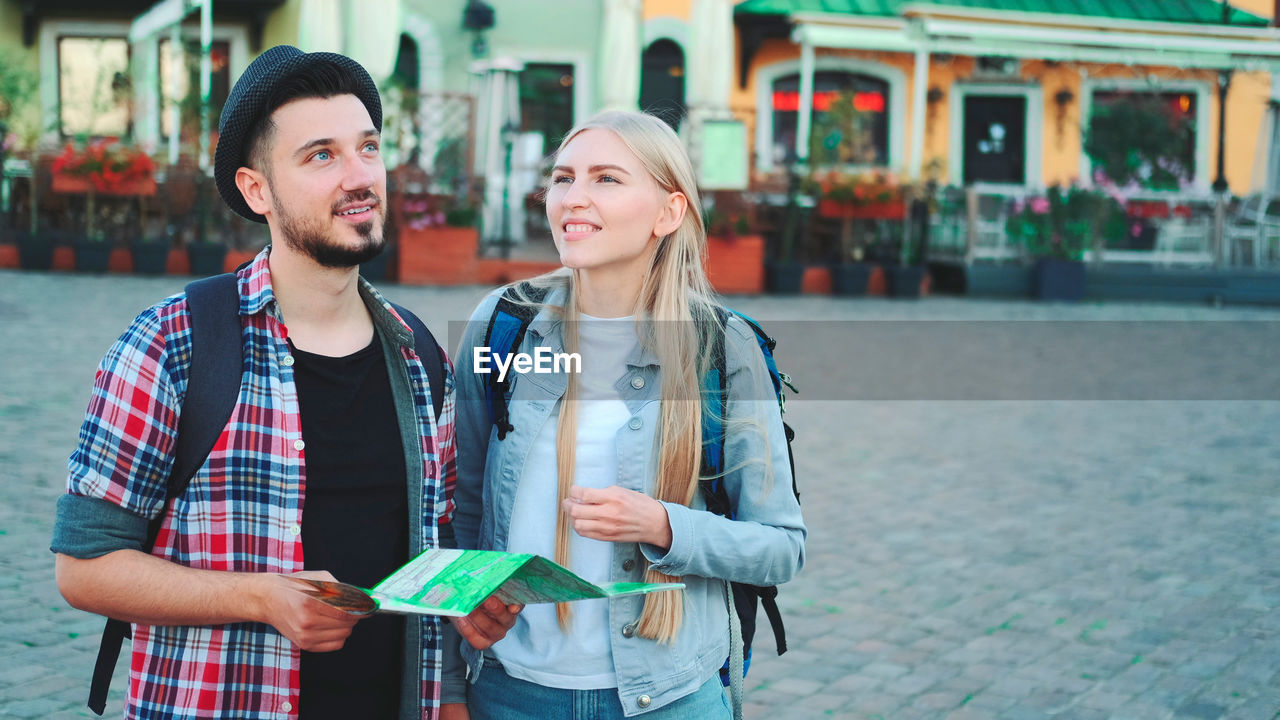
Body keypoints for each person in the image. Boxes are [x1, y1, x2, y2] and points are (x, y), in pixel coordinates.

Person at [51, 46, 516, 720]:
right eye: (320, 155)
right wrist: (259, 597)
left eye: (368, 148)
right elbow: (83, 566)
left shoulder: (418, 353)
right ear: (256, 190)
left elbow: (430, 546)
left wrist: (449, 687)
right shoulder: (172, 344)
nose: (360, 177)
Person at [451, 111, 806, 719]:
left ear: (668, 213)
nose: (573, 198)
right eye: (563, 178)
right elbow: (463, 507)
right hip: (510, 691)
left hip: (668, 697)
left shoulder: (725, 347)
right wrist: (455, 676)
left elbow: (780, 548)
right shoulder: (502, 324)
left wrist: (665, 526)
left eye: (607, 179)